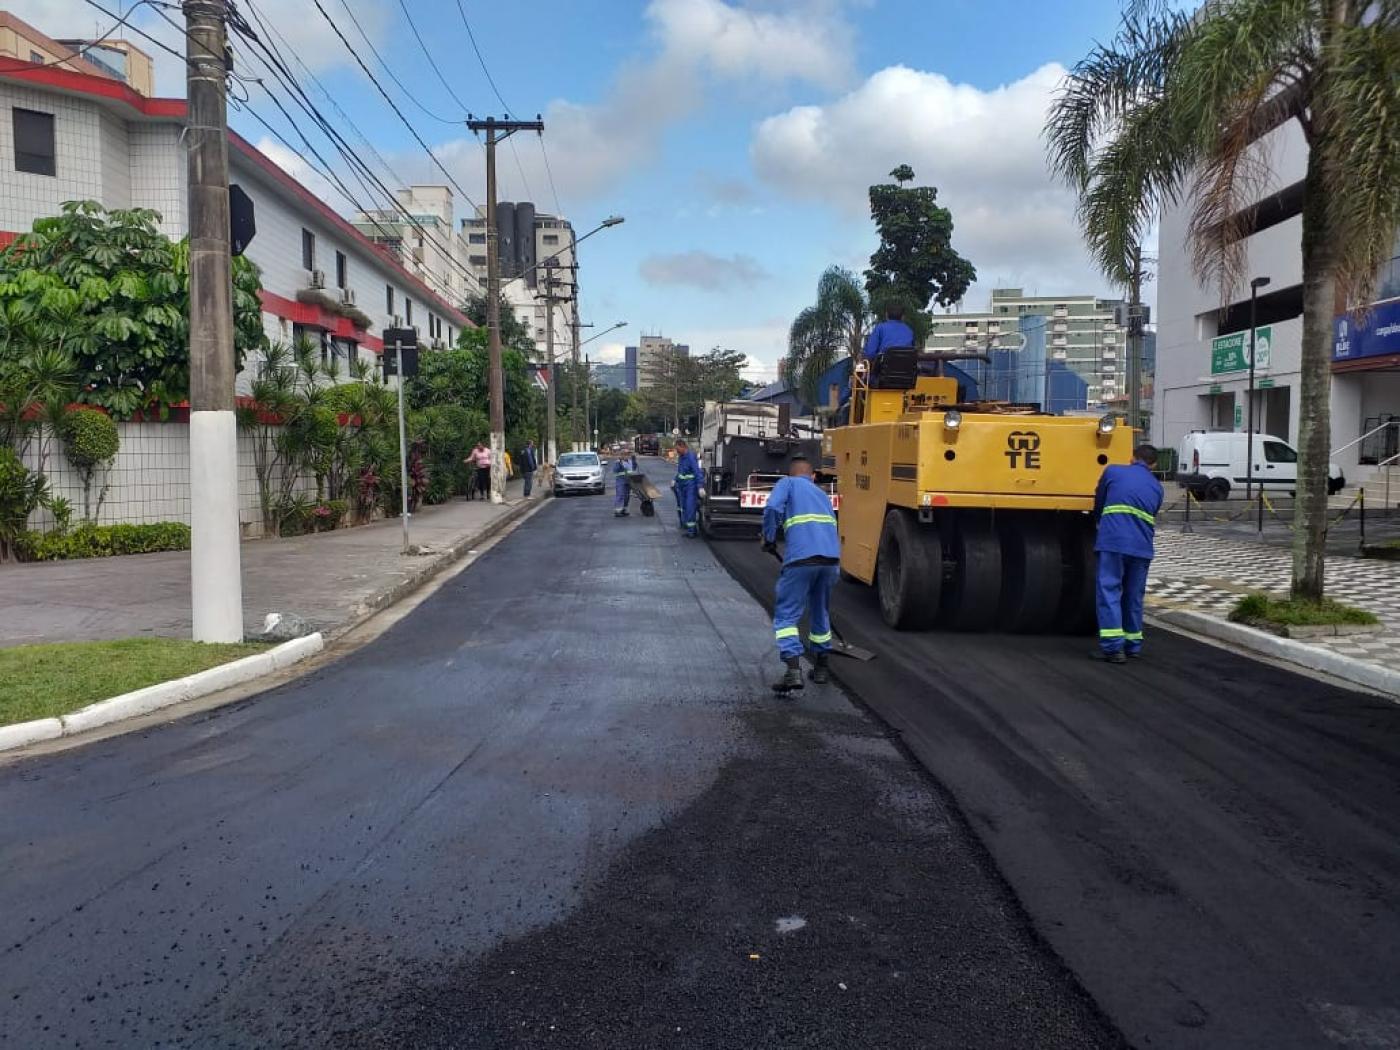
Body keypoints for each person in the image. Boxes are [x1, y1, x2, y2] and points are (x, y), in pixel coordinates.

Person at [763, 457, 841, 693]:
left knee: (787, 615)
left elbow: (772, 508)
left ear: (792, 473)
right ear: (813, 476)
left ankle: (793, 671)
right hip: (830, 560)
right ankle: (821, 669)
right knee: (820, 610)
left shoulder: (787, 483)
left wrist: (768, 537)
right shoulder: (822, 494)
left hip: (801, 559)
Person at [1092, 444, 1164, 664]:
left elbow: (1100, 500)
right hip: (1142, 547)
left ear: (1132, 458)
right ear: (1154, 465)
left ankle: (1113, 648)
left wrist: (1098, 521)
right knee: (1133, 595)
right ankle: (1133, 645)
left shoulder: (1113, 471)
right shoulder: (1157, 487)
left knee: (1109, 590)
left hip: (1114, 541)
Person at [671, 439, 703, 537]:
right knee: (684, 507)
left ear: (683, 446)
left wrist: (700, 486)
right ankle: (688, 529)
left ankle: (692, 532)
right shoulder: (681, 457)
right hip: (682, 487)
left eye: (678, 449)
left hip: (690, 487)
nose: (677, 451)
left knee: (690, 508)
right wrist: (675, 479)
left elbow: (697, 472)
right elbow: (681, 471)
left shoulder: (690, 457)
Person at [613, 449, 638, 517]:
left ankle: (624, 509)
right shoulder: (618, 462)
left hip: (628, 481)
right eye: (625, 454)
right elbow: (615, 471)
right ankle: (618, 511)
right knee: (620, 495)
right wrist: (619, 462)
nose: (627, 455)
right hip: (621, 481)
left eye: (628, 454)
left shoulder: (630, 461)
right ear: (622, 455)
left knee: (627, 496)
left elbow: (634, 468)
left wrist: (634, 459)